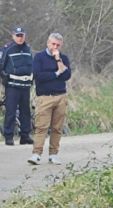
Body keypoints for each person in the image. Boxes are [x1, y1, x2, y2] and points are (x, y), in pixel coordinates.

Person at [28, 32, 70, 165]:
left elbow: (67, 75)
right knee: (41, 127)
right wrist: (56, 73)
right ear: (48, 43)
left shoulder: (64, 58)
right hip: (45, 97)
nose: (55, 47)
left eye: (58, 45)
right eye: (53, 44)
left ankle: (53, 154)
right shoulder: (39, 57)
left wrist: (58, 60)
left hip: (60, 97)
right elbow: (39, 76)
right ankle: (36, 154)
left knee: (57, 128)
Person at [0, 26, 33, 146]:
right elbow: (1, 66)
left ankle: (25, 135)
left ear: (25, 36)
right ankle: (9, 136)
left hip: (25, 85)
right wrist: (4, 77)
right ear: (13, 36)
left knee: (26, 112)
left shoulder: (28, 49)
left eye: (22, 35)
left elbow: (31, 65)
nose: (20, 38)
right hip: (12, 86)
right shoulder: (7, 49)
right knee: (11, 111)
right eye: (18, 36)